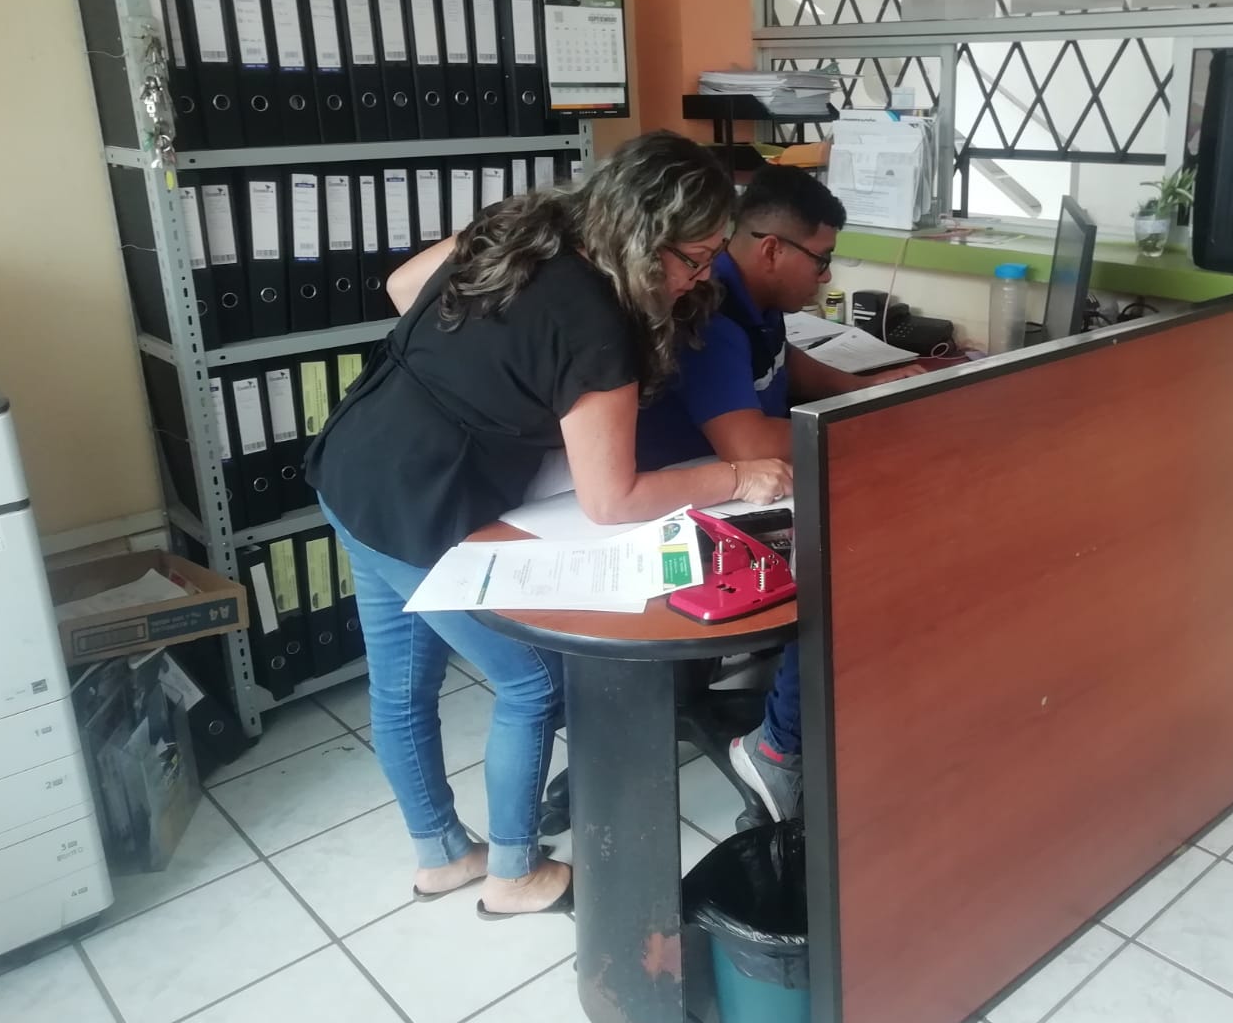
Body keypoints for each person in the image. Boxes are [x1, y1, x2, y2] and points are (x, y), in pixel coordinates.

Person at [305, 132, 792, 919]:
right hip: (418, 503)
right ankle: (513, 873)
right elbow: (613, 501)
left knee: (400, 684)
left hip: (353, 463)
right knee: (530, 684)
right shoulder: (597, 321)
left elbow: (402, 288)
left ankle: (441, 855)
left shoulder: (526, 223)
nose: (702, 279)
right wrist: (738, 476)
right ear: (645, 233)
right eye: (695, 259)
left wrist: (493, 373)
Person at [635, 165, 923, 822]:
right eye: (821, 260)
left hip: (745, 485)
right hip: (691, 504)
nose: (827, 276)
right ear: (771, 249)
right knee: (847, 555)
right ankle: (778, 751)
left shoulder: (757, 299)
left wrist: (864, 391)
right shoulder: (711, 307)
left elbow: (781, 362)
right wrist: (870, 425)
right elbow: (746, 443)